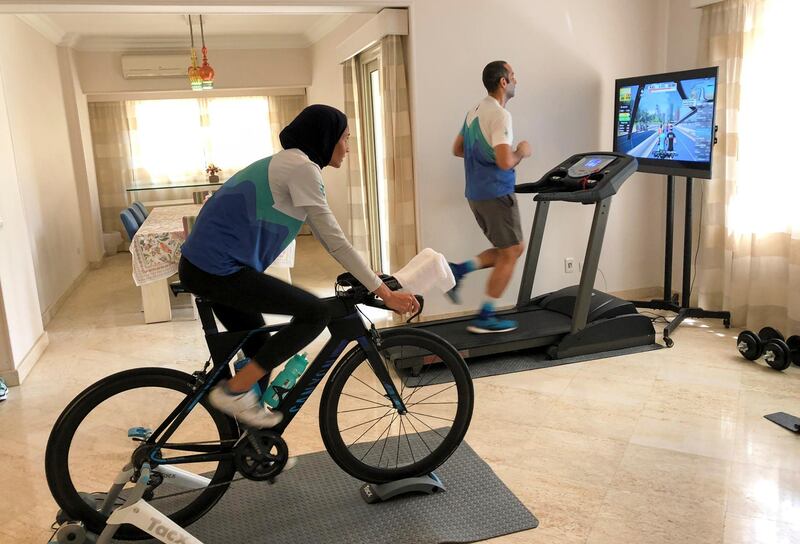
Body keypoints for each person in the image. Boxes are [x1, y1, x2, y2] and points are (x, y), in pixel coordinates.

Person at [179, 105, 420, 428]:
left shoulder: (289, 162)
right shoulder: (301, 168)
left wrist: (372, 278)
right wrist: (384, 293)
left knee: (259, 348)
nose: (348, 148)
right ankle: (235, 392)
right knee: (314, 313)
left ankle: (243, 438)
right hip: (217, 269)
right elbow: (334, 239)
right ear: (326, 138)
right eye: (346, 139)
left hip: (207, 266)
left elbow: (330, 239)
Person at [449, 61, 531, 334]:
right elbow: (506, 162)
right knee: (511, 252)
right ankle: (485, 316)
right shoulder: (500, 115)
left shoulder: (474, 110)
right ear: (503, 82)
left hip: (476, 194)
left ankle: (460, 269)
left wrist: (487, 157)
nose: (516, 79)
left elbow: (458, 149)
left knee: (511, 249)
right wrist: (521, 151)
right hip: (497, 193)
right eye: (513, 75)